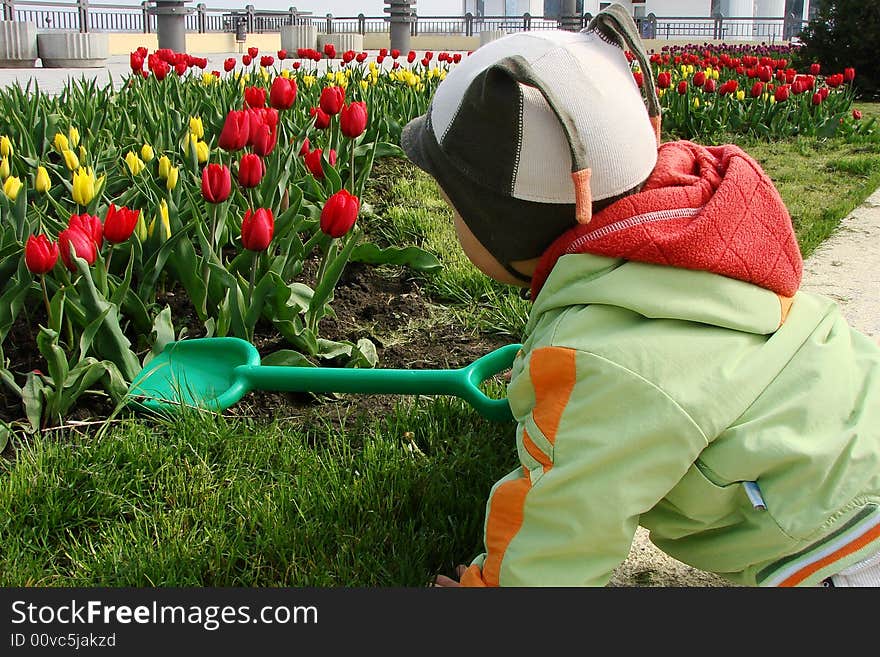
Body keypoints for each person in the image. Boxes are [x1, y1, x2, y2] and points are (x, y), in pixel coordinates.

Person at [399, 3, 880, 587]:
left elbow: (568, 522)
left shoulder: (601, 363)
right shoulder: (699, 231)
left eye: (455, 207)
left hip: (843, 547)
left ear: (499, 223)